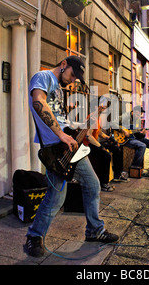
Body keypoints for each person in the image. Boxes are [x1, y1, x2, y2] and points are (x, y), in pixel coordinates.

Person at [24, 56, 119, 257]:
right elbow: (38, 102)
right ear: (63, 64)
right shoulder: (42, 76)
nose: (73, 80)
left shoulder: (59, 89)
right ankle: (34, 236)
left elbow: (59, 115)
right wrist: (61, 134)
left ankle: (95, 231)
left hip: (69, 144)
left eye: (76, 78)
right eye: (72, 75)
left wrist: (77, 121)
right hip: (55, 147)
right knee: (57, 196)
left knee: (92, 184)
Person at [120, 106, 149, 173]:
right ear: (132, 112)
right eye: (137, 114)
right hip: (125, 139)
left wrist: (143, 133)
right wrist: (123, 130)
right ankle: (135, 168)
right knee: (142, 145)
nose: (138, 116)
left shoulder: (138, 120)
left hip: (134, 137)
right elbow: (113, 123)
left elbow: (138, 135)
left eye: (140, 115)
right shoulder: (125, 116)